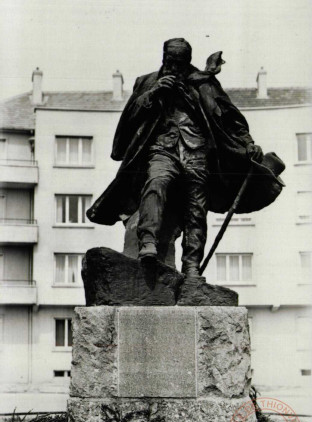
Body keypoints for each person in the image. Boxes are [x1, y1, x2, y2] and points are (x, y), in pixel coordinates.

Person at [87, 38, 284, 277]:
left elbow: (231, 118)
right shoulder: (147, 81)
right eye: (170, 62)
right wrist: (154, 92)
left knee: (196, 208)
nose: (174, 67)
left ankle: (191, 267)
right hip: (162, 148)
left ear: (187, 61)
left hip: (196, 151)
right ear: (163, 58)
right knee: (155, 183)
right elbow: (130, 118)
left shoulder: (205, 83)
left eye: (179, 63)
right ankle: (147, 243)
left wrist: (248, 143)